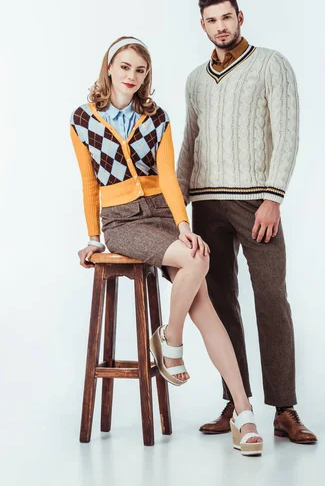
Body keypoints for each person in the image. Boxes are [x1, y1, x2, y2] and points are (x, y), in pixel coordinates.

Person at [69, 36, 263, 456]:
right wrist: (92, 238)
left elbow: (170, 178)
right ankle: (171, 344)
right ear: (109, 68)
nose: (132, 77)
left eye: (139, 70)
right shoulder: (83, 119)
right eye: (124, 67)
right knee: (196, 266)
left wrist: (183, 225)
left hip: (161, 214)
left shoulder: (156, 118)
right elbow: (89, 184)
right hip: (121, 222)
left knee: (201, 287)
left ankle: (242, 412)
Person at [177, 0, 317, 444]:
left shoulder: (271, 64)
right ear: (202, 25)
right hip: (205, 204)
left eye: (226, 18)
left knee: (271, 301)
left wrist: (274, 197)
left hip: (257, 202)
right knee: (220, 306)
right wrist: (179, 203)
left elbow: (288, 131)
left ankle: (285, 409)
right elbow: (188, 143)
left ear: (240, 17)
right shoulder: (196, 79)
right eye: (211, 20)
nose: (220, 26)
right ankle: (235, 404)